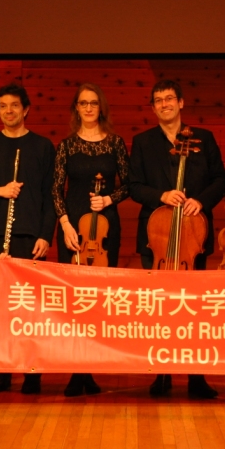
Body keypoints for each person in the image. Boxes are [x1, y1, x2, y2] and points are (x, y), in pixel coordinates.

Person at [129, 79, 225, 399]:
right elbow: (134, 185)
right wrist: (161, 195)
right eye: (158, 100)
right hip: (156, 235)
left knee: (194, 310)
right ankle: (161, 374)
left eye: (169, 98)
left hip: (193, 235)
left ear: (181, 102)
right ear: (153, 107)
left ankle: (197, 377)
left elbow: (219, 179)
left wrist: (201, 201)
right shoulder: (143, 141)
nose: (164, 104)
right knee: (158, 309)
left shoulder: (204, 138)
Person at [0, 82, 56, 394]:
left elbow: (50, 196)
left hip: (29, 236)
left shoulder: (43, 146)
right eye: (3, 106)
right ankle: (2, 370)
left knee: (30, 308)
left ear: (26, 109)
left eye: (14, 105)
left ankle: (32, 372)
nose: (8, 111)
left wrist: (45, 235)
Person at [52, 83, 130, 397]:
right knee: (74, 300)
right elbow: (56, 189)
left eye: (93, 103)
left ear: (101, 108)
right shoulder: (66, 146)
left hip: (106, 227)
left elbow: (129, 184)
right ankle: (76, 371)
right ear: (76, 108)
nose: (88, 108)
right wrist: (65, 224)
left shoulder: (115, 143)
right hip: (74, 228)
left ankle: (91, 366)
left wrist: (109, 199)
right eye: (83, 103)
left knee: (98, 299)